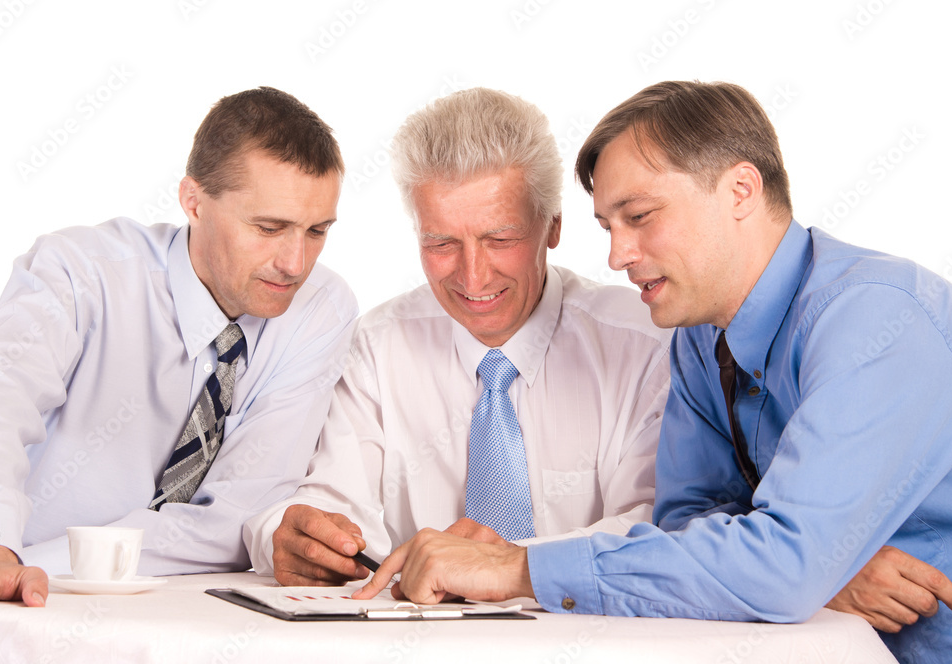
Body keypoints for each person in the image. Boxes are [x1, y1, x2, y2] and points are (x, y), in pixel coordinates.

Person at [354, 81, 952, 663]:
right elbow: (686, 522)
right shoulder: (700, 337)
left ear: (741, 191)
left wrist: (516, 568)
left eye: (640, 216)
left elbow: (784, 566)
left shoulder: (880, 318)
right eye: (608, 227)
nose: (617, 255)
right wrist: (815, 567)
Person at [0, 87, 357, 658]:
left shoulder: (321, 310)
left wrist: (46, 561)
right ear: (193, 201)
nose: (295, 263)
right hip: (8, 606)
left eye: (317, 230)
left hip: (174, 619)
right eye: (269, 227)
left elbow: (237, 514)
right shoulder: (80, 274)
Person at [242, 87, 671, 586]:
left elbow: (657, 530)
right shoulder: (378, 347)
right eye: (441, 243)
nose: (473, 276)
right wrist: (299, 537)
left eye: (500, 239)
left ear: (553, 226)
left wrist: (508, 566)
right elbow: (332, 501)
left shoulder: (645, 345)